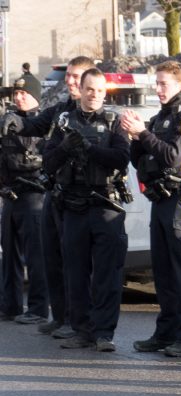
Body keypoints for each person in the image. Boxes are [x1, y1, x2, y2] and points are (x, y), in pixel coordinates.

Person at [2, 55, 96, 340]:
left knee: (73, 264)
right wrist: (15, 122)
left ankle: (79, 323)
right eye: (68, 76)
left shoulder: (94, 116)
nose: (70, 81)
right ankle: (61, 318)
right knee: (53, 260)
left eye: (75, 76)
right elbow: (33, 126)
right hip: (56, 196)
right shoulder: (61, 110)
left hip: (78, 198)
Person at [121, 60, 181, 358]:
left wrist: (143, 134)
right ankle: (166, 332)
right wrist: (135, 136)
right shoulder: (160, 117)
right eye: (156, 83)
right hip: (160, 199)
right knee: (164, 271)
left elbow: (172, 157)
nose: (158, 89)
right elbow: (138, 160)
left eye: (163, 83)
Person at [43, 68, 130, 351]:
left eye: (100, 90)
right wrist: (65, 147)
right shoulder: (64, 121)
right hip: (74, 206)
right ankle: (82, 331)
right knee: (76, 274)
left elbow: (121, 158)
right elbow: (48, 164)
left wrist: (90, 149)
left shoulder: (114, 122)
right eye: (90, 89)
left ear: (105, 93)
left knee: (107, 274)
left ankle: (104, 333)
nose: (94, 95)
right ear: (80, 90)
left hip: (105, 206)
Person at [0, 73, 49, 324]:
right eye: (16, 93)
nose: (19, 97)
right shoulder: (7, 121)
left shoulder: (45, 122)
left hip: (34, 197)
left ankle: (38, 309)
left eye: (24, 93)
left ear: (36, 96)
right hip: (11, 195)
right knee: (9, 255)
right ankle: (10, 305)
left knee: (36, 255)